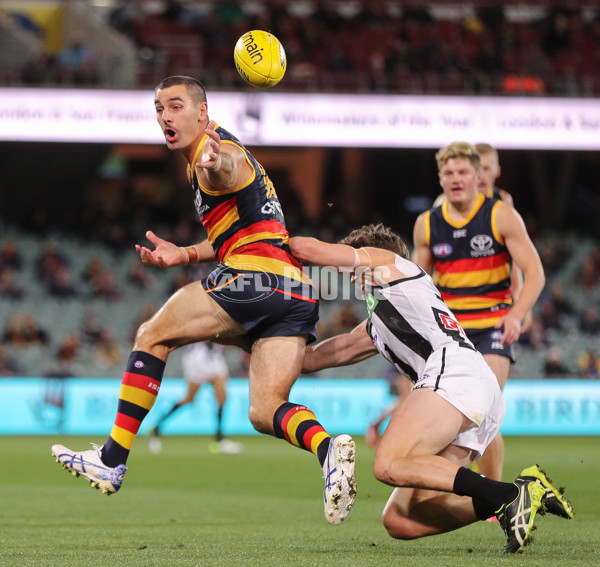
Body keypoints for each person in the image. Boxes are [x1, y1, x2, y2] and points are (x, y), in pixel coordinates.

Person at [51, 75, 356, 525]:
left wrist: (213, 163)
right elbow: (236, 231)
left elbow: (226, 166)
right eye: (158, 108)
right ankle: (328, 449)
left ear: (202, 112)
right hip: (295, 291)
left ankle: (112, 458)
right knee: (264, 410)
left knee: (152, 335)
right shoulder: (211, 155)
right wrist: (186, 253)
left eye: (175, 106)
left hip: (254, 281)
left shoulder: (215, 152)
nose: (164, 116)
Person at [289, 224, 573, 554]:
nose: (352, 278)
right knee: (401, 520)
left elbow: (312, 251)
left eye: (355, 268)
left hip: (454, 372)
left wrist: (260, 241)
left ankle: (506, 495)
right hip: (466, 388)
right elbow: (310, 360)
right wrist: (248, 332)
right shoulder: (377, 321)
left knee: (387, 464)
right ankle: (519, 494)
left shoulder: (392, 265)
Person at [413, 142, 545, 484]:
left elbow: (535, 272)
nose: (456, 179)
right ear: (440, 178)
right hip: (451, 333)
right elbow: (417, 284)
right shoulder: (427, 224)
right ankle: (470, 490)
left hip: (493, 327)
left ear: (478, 175)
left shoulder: (501, 214)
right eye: (449, 173)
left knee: (482, 411)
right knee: (452, 416)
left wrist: (516, 313)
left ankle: (493, 498)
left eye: (463, 172)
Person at [149, 341, 243, 454]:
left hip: (214, 358)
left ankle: (220, 439)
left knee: (222, 397)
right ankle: (157, 427)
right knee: (189, 399)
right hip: (198, 359)